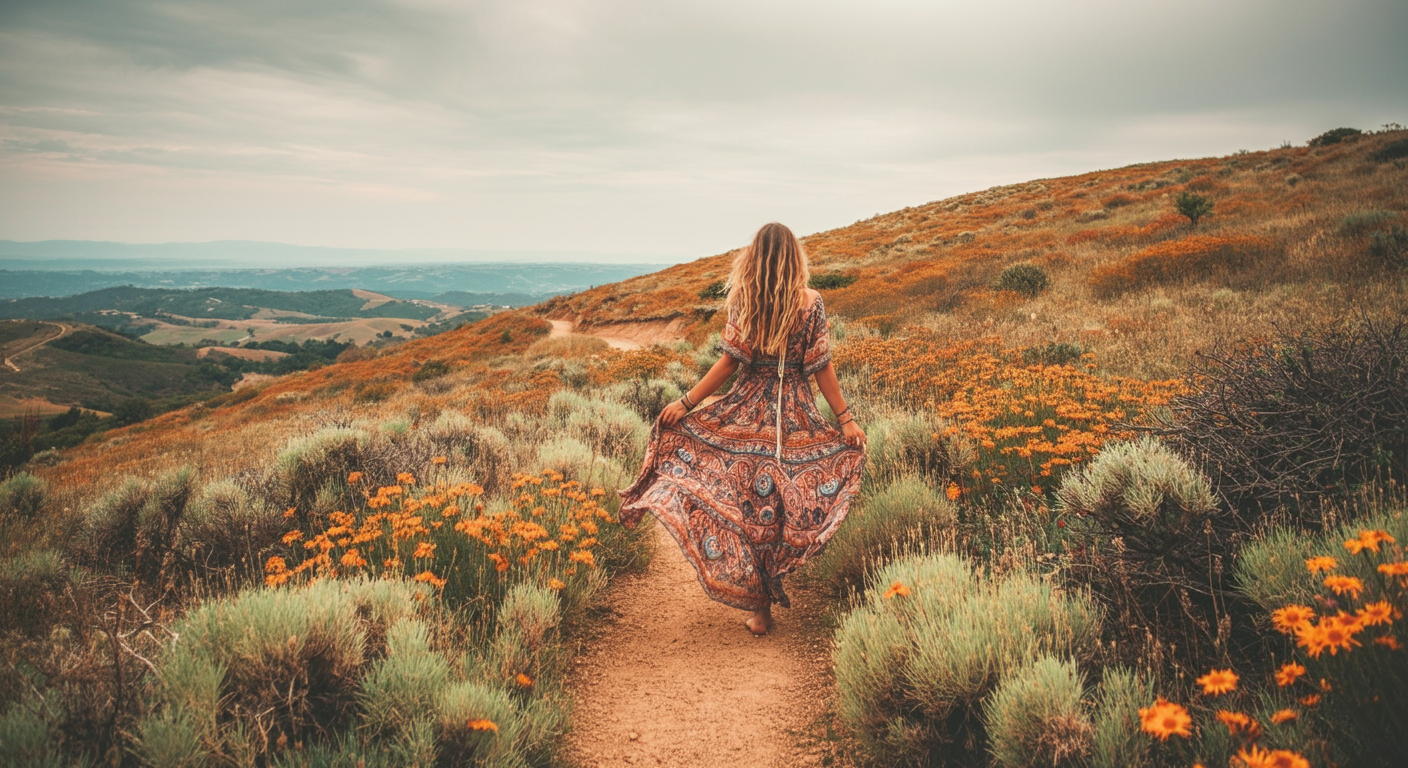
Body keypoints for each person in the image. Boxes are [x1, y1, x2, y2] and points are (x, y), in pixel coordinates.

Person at [618, 222, 866, 636]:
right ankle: (770, 585)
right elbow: (821, 367)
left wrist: (686, 403)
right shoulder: (812, 302)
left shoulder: (746, 299)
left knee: (748, 504)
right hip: (794, 417)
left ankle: (761, 607)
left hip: (747, 413)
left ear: (755, 257)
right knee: (780, 503)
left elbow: (730, 362)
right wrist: (845, 418)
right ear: (795, 257)